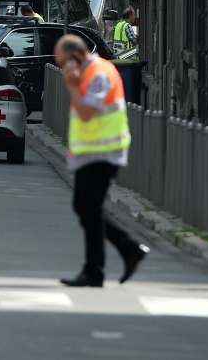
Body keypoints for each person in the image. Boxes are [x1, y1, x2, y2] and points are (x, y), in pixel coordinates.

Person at [55, 34, 149, 287]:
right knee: (84, 208)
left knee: (89, 208)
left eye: (63, 63)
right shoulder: (91, 72)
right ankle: (126, 251)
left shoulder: (98, 73)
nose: (62, 69)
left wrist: (72, 86)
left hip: (105, 152)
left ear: (75, 58)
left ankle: (97, 269)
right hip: (91, 152)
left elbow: (86, 113)